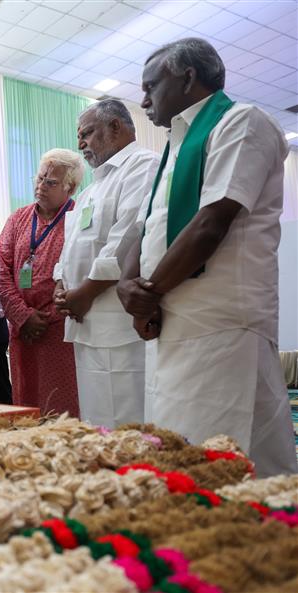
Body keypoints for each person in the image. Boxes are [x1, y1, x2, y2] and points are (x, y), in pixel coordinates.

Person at [117, 38, 297, 477]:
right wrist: (127, 284)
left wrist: (149, 292)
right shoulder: (174, 149)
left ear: (188, 78)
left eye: (150, 86)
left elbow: (212, 222)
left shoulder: (241, 122)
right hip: (171, 321)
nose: (143, 101)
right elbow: (141, 230)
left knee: (212, 458)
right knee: (190, 446)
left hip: (218, 322)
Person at [53, 100, 160, 428]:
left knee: (128, 425)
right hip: (85, 324)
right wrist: (61, 284)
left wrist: (84, 292)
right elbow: (70, 248)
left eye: (86, 133)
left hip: (118, 324)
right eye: (79, 136)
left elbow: (127, 239)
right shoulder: (91, 191)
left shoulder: (143, 166)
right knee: (97, 421)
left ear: (115, 127)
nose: (81, 143)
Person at [0, 149, 84, 417]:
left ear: (70, 187)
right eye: (39, 178)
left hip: (60, 330)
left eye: (51, 182)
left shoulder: (79, 217)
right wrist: (23, 316)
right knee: (26, 403)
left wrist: (47, 318)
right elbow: (2, 274)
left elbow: (79, 271)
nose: (40, 186)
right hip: (23, 329)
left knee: (62, 404)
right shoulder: (18, 218)